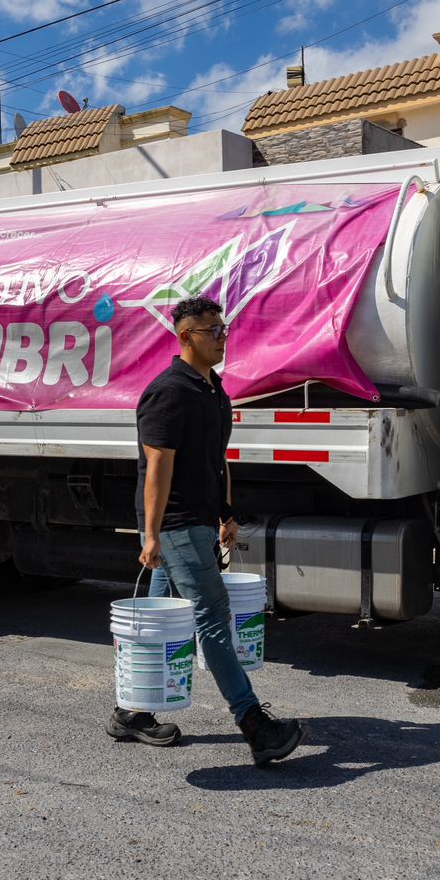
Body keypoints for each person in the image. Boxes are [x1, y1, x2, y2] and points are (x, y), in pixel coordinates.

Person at [110, 296, 306, 766]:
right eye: (211, 331)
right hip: (175, 524)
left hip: (198, 520)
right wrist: (152, 534)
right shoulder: (169, 392)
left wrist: (226, 512)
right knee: (212, 617)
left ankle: (131, 712)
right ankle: (255, 725)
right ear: (184, 336)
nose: (221, 337)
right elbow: (157, 466)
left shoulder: (214, 390)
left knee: (160, 618)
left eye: (222, 329)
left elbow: (215, 460)